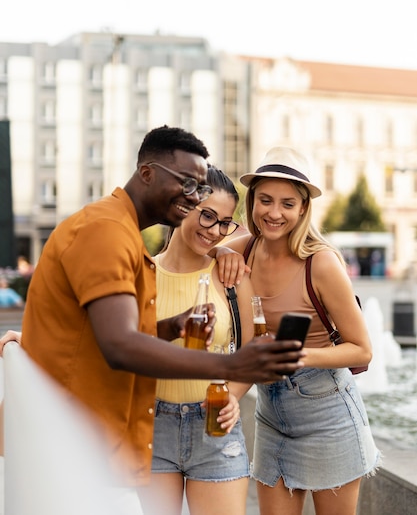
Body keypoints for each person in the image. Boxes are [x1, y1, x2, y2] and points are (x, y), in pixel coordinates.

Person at [1, 128, 305, 508]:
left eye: (198, 188)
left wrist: (171, 327)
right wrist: (231, 362)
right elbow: (119, 345)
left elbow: (94, 330)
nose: (192, 196)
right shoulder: (108, 232)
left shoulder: (124, 236)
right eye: (188, 185)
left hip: (81, 434)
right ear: (147, 173)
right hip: (72, 433)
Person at [213, 146, 380, 515]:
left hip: (328, 415)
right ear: (252, 201)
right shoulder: (245, 250)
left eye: (288, 204)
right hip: (272, 416)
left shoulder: (320, 263)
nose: (274, 213)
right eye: (266, 200)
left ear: (303, 208)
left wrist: (298, 355)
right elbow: (199, 247)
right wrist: (222, 253)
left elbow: (363, 349)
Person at [139, 166, 254, 515]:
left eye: (224, 222)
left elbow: (251, 351)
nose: (214, 231)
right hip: (152, 425)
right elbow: (107, 336)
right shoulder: (142, 272)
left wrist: (233, 396)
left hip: (217, 428)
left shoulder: (230, 276)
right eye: (207, 215)